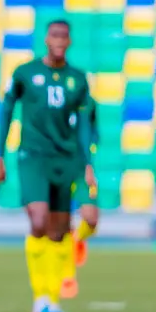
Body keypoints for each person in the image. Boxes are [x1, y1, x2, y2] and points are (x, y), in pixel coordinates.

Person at [0, 19, 94, 312]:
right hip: (33, 156)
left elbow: (85, 126)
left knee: (59, 230)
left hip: (67, 159)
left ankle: (52, 298)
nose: (59, 40)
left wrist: (87, 163)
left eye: (65, 36)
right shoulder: (25, 73)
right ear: (46, 39)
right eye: (55, 35)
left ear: (70, 41)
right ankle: (40, 298)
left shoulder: (78, 79)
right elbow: (7, 110)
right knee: (38, 220)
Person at [60, 99, 100, 298]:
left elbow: (94, 134)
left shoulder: (89, 104)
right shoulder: (53, 101)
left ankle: (78, 239)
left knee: (91, 219)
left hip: (82, 169)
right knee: (63, 221)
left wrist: (88, 163)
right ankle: (68, 277)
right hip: (60, 167)